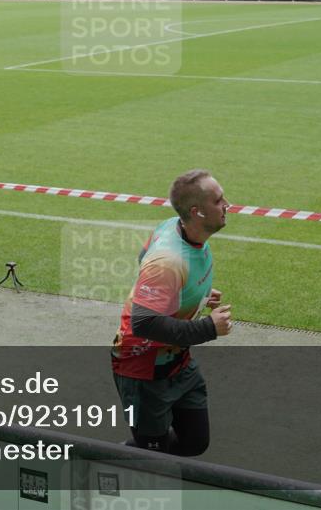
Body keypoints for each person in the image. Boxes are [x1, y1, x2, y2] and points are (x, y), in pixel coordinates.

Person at [111, 169, 233, 456]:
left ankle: (137, 454)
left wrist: (187, 292)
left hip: (177, 359)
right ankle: (117, 458)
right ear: (196, 212)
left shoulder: (173, 226)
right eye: (218, 200)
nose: (227, 204)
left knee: (195, 441)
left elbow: (142, 258)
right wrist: (209, 327)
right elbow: (144, 323)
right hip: (142, 368)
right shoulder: (167, 261)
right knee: (152, 454)